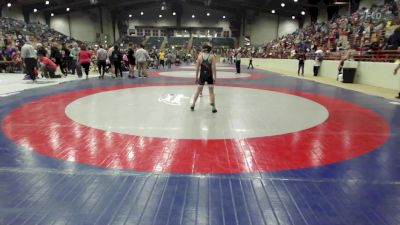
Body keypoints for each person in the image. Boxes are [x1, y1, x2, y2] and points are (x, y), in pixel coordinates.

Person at [190, 44, 217, 113]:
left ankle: (193, 105)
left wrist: (196, 77)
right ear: (209, 50)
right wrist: (215, 77)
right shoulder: (212, 56)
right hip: (209, 76)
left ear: (203, 49)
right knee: (211, 92)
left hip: (202, 76)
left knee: (198, 91)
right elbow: (213, 68)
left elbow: (197, 68)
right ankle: (213, 107)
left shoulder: (199, 57)